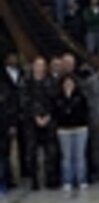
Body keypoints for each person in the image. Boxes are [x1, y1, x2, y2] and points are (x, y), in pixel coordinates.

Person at [20, 57, 59, 190]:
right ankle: (34, 180)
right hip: (31, 122)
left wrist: (48, 116)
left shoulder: (51, 81)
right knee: (31, 152)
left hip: (49, 120)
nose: (39, 67)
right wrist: (35, 116)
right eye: (37, 65)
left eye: (42, 65)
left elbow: (55, 100)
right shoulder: (26, 81)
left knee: (51, 151)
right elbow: (24, 101)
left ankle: (51, 178)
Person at [55, 73, 89, 191]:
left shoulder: (81, 97)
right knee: (66, 157)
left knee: (79, 156)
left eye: (71, 83)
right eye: (66, 83)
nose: (68, 85)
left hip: (80, 129)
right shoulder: (58, 98)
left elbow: (85, 112)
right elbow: (57, 113)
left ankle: (81, 180)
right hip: (64, 130)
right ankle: (67, 180)